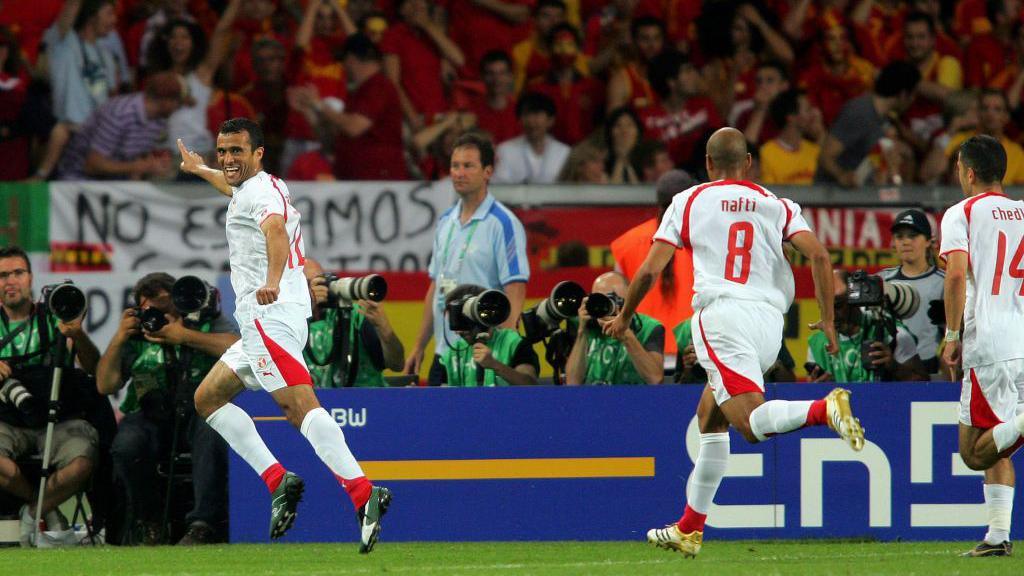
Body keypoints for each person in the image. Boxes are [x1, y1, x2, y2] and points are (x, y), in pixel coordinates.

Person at [604, 127, 864, 557]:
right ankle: (690, 528)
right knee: (710, 416)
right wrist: (829, 321)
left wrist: (626, 315)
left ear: (707, 165)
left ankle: (823, 409)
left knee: (748, 423)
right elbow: (819, 256)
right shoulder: (778, 205)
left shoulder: (687, 201)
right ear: (748, 164)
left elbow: (651, 269)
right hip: (769, 324)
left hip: (723, 316)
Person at [176, 118, 391, 553]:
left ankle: (363, 492)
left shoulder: (260, 195)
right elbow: (237, 191)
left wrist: (271, 279)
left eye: (237, 151)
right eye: (223, 151)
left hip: (267, 317)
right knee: (208, 398)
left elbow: (273, 230)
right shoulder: (265, 185)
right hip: (272, 319)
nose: (228, 160)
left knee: (299, 407)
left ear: (258, 154)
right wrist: (201, 170)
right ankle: (279, 479)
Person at [96, 273, 238, 545]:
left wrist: (184, 335)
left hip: (199, 409)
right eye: (152, 310)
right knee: (127, 445)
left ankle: (202, 523)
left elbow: (238, 348)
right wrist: (118, 338)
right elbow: (105, 384)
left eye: (166, 307)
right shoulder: (137, 335)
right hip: (148, 413)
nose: (160, 316)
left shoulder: (203, 321)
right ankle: (149, 521)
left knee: (213, 430)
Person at [940, 134, 1024, 558]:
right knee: (997, 439)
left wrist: (952, 335)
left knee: (973, 451)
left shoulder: (963, 213)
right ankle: (997, 537)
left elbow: (955, 276)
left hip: (990, 342)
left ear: (969, 173)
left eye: (958, 168)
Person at [405, 132, 530, 385]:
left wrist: (503, 349)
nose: (459, 173)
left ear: (487, 172)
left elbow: (515, 287)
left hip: (483, 353)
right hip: (445, 353)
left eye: (468, 166)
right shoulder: (445, 221)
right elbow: (435, 288)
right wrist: (419, 345)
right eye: (455, 165)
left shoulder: (503, 223)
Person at [0, 245, 101, 545]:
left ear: (31, 278)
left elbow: (95, 369)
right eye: (2, 275)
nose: (10, 281)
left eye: (18, 273)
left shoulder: (55, 315)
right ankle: (46, 507)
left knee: (83, 460)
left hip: (58, 421)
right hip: (8, 423)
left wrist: (77, 335)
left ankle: (33, 511)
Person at [610, 170, 696, 357]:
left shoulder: (626, 243)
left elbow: (617, 300)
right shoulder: (702, 237)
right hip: (692, 350)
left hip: (645, 351)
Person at [55, 71, 187, 180]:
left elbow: (135, 162)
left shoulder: (159, 121)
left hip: (115, 182)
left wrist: (151, 167)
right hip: (77, 179)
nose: (178, 108)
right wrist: (137, 167)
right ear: (165, 101)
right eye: (177, 102)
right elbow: (92, 164)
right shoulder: (120, 114)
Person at [806, 269, 930, 383]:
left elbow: (924, 385)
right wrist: (817, 387)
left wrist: (894, 367)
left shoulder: (892, 334)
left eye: (837, 305)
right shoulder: (818, 342)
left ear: (854, 298)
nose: (830, 314)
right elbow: (809, 392)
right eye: (823, 307)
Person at [815, 60, 921, 187]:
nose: (914, 100)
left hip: (857, 197)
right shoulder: (859, 112)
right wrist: (842, 175)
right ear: (903, 94)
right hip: (831, 198)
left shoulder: (886, 119)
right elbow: (826, 157)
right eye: (913, 94)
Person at [302, 259, 404, 388]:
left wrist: (384, 328)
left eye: (321, 281)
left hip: (365, 403)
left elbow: (397, 364)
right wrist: (306, 307)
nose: (318, 288)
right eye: (307, 283)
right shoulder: (287, 322)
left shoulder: (358, 315)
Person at [566, 272, 665, 385]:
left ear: (627, 299)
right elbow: (572, 383)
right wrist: (582, 332)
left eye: (610, 298)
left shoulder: (648, 327)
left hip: (632, 399)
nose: (603, 304)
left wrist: (626, 335)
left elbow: (655, 379)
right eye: (597, 298)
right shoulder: (587, 325)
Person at [879, 209, 945, 374]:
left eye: (913, 236)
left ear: (930, 241)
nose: (905, 242)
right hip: (891, 370)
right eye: (900, 237)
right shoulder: (882, 281)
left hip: (931, 371)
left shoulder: (945, 282)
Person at [438, 284, 539, 387]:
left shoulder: (514, 343)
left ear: (476, 313)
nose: (457, 332)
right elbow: (440, 399)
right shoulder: (451, 354)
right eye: (454, 323)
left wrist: (495, 365)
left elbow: (530, 385)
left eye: (460, 322)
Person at [492, 92, 570, 184]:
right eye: (526, 114)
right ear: (519, 120)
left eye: (537, 114)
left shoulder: (564, 153)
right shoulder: (505, 150)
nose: (531, 121)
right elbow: (499, 185)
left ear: (550, 120)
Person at [759, 88, 823, 185]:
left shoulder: (815, 151)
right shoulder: (766, 154)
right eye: (808, 109)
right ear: (791, 117)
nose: (814, 114)